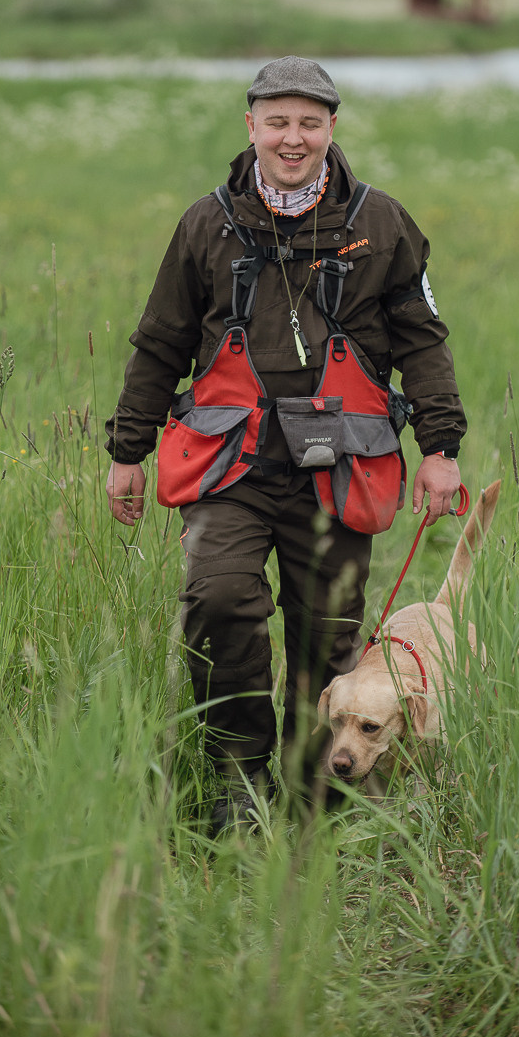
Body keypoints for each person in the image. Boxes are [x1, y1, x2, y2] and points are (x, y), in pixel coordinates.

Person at [105, 56, 467, 831]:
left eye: (309, 122)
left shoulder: (383, 224)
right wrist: (127, 450)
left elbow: (423, 341)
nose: (292, 138)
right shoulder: (206, 223)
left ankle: (314, 790)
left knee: (328, 635)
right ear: (252, 128)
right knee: (218, 599)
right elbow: (160, 342)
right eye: (277, 122)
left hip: (341, 468)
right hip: (229, 464)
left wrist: (441, 446)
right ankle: (239, 780)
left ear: (331, 128)